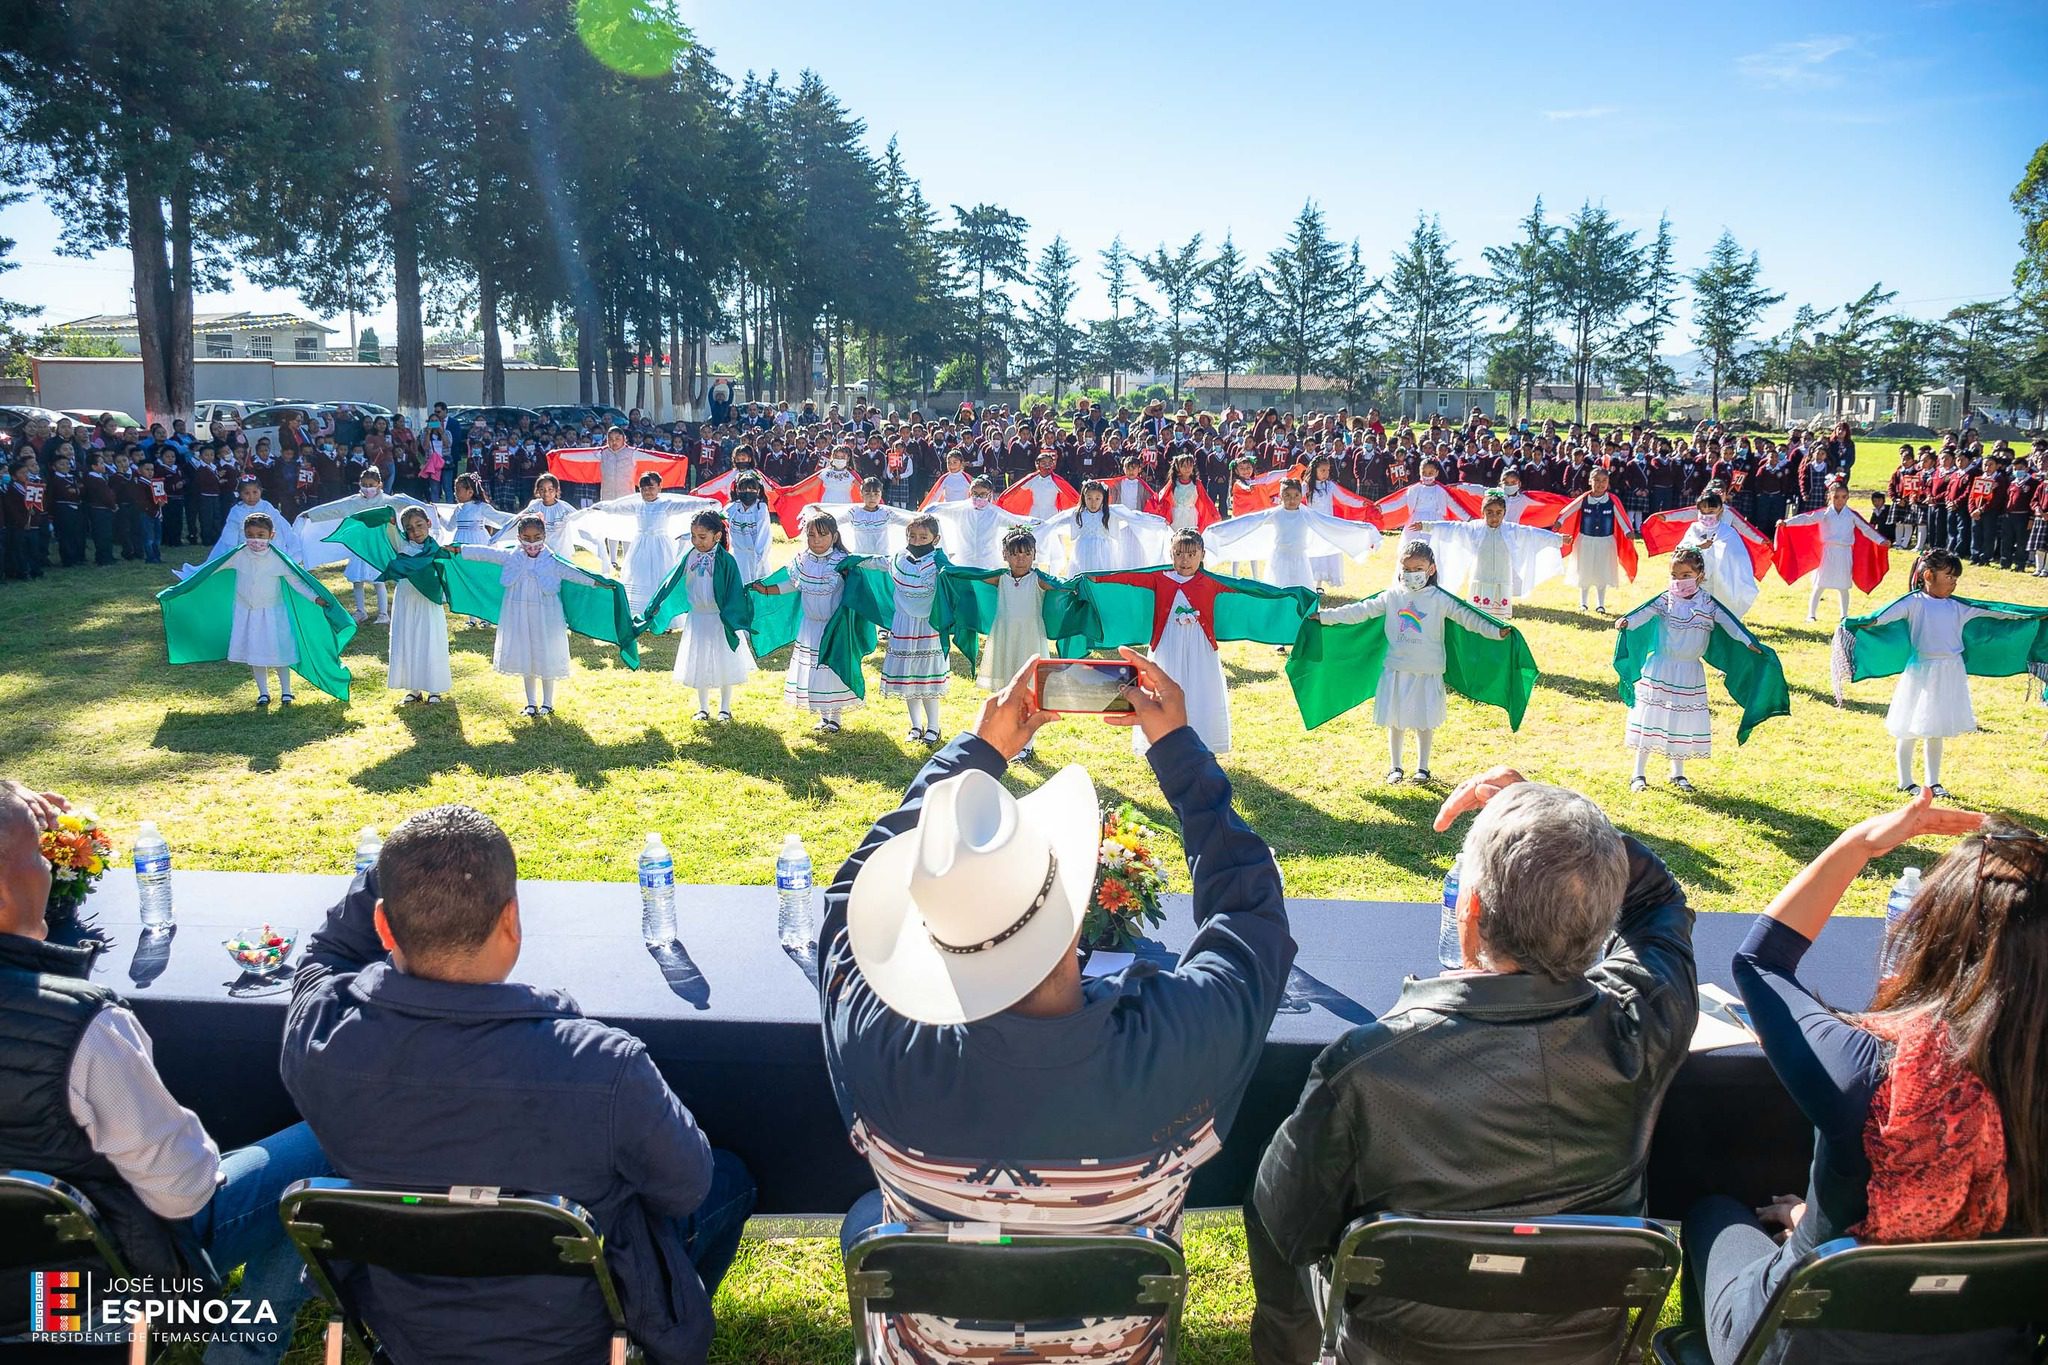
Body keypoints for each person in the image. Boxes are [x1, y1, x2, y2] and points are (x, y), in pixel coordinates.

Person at [822, 653, 1296, 1365]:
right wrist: (1178, 752)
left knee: (865, 1221)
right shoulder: (1183, 1043)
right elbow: (1252, 915)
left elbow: (843, 909)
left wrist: (978, 754)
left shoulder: (881, 1048)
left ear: (932, 934)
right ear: (1078, 912)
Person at [1247, 766, 1696, 1365]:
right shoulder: (1647, 1027)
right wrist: (1561, 828)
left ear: (1469, 912)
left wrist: (1538, 821)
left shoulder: (1364, 1066)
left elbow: (1289, 1224)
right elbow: (1658, 900)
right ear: (1599, 917)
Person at [284, 804, 755, 1365]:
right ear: (511, 921)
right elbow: (687, 1189)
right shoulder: (606, 1067)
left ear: (385, 925)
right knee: (731, 1180)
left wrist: (400, 865)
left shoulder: (318, 1038)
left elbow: (323, 957)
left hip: (411, 1335)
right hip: (583, 1336)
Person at [1679, 793, 2045, 1365]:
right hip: (1992, 1345)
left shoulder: (1868, 1072)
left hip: (1801, 1343)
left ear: (1937, 936)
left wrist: (1861, 844)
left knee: (1710, 1212)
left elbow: (1760, 963)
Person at [0, 779, 328, 1364]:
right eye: (36, 852)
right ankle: (241, 1353)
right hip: (88, 1302)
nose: (47, 869)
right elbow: (185, 1193)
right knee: (322, 1142)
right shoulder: (81, 1027)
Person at [1839, 549, 2046, 797]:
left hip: (1950, 671)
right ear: (1928, 575)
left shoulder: (1958, 606)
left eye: (1956, 578)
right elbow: (1879, 618)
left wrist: (2035, 614)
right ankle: (1905, 781)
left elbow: (1997, 611)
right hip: (1922, 670)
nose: (1953, 582)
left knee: (1936, 726)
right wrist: (1856, 623)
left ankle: (1933, 781)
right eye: (1949, 576)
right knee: (1909, 726)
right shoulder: (1912, 603)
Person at [1314, 541, 1511, 784]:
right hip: (1397, 668)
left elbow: (1468, 617)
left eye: (1417, 568)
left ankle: (1423, 768)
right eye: (1406, 569)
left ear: (1431, 569)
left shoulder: (1440, 599)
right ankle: (1395, 767)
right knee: (1395, 720)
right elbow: (1359, 611)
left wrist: (1495, 631)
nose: (1411, 574)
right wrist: (1325, 616)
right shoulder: (1392, 596)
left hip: (1427, 670)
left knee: (1424, 720)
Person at [1617, 547, 1770, 793]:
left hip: (1689, 672)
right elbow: (1641, 614)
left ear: (1700, 575)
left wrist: (1749, 642)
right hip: (1661, 667)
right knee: (1651, 716)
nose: (1679, 581)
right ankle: (1639, 773)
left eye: (1685, 575)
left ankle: (1677, 773)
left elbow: (1731, 625)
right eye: (1675, 575)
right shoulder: (1665, 600)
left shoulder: (1708, 604)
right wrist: (1626, 622)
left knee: (1682, 719)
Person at [454, 513, 609, 717]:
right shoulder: (511, 557)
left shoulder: (552, 562)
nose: (532, 542)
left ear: (544, 535)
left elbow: (575, 574)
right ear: (519, 537)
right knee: (525, 654)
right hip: (519, 613)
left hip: (545, 615)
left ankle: (547, 702)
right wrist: (459, 550)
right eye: (526, 538)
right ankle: (530, 703)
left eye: (537, 536)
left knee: (544, 653)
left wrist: (600, 582)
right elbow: (486, 553)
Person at [750, 512, 864, 733]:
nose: (816, 540)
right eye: (811, 535)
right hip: (811, 627)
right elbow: (793, 584)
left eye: (822, 535)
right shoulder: (803, 561)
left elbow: (859, 590)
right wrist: (767, 590)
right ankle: (823, 714)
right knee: (815, 668)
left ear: (834, 536)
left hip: (834, 628)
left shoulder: (843, 563)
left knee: (832, 668)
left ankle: (836, 716)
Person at [1418, 488, 1565, 620]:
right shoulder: (1475, 528)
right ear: (1483, 513)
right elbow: (1454, 528)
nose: (1494, 517)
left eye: (1498, 513)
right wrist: (1426, 525)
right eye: (1489, 513)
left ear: (1504, 513)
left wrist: (1557, 539)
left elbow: (1533, 534)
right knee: (1478, 618)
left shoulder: (1511, 530)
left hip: (1502, 580)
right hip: (1480, 579)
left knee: (1498, 620)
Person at [875, 513, 951, 745]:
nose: (917, 541)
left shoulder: (941, 564)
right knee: (909, 677)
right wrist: (849, 560)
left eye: (923, 537)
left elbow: (961, 580)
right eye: (912, 536)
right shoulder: (898, 558)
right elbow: (874, 562)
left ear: (935, 539)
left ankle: (934, 727)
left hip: (929, 625)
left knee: (926, 677)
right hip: (904, 623)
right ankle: (916, 725)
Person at [382, 506, 454, 705]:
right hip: (406, 598)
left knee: (430, 639)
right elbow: (389, 529)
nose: (416, 532)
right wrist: (389, 519)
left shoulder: (438, 549)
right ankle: (413, 687)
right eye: (410, 529)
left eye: (420, 525)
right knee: (408, 637)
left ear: (429, 524)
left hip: (428, 602)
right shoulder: (403, 547)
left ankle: (434, 688)